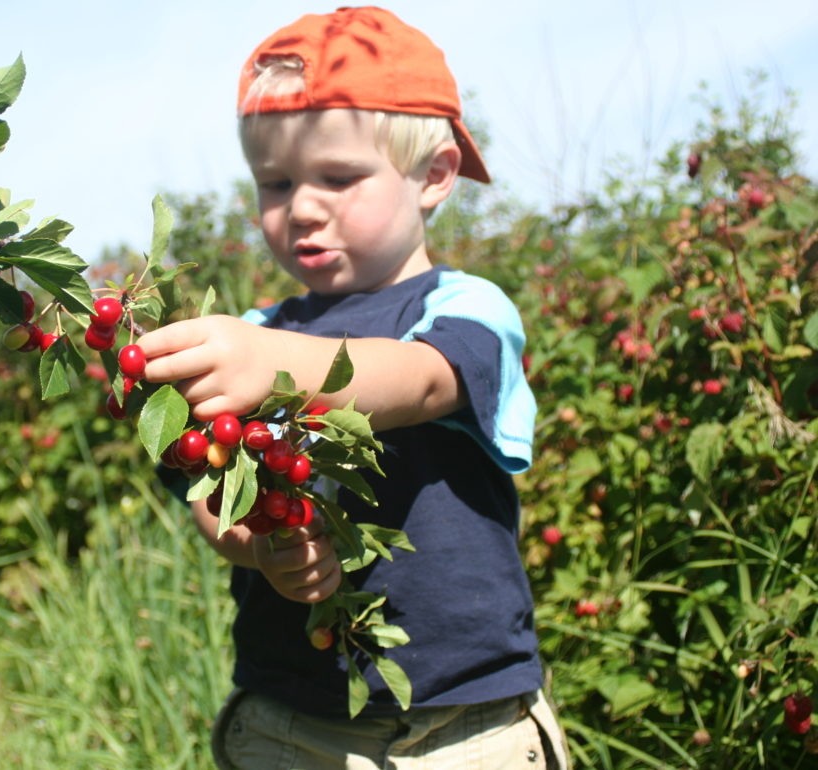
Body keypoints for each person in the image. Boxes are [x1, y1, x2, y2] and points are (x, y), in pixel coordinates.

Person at [137, 7, 567, 768]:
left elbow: (421, 380)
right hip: (293, 723)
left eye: (338, 177)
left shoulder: (464, 306)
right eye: (274, 183)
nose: (301, 206)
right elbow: (207, 491)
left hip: (470, 725)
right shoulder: (256, 328)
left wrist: (267, 365)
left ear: (433, 175)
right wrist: (254, 545)